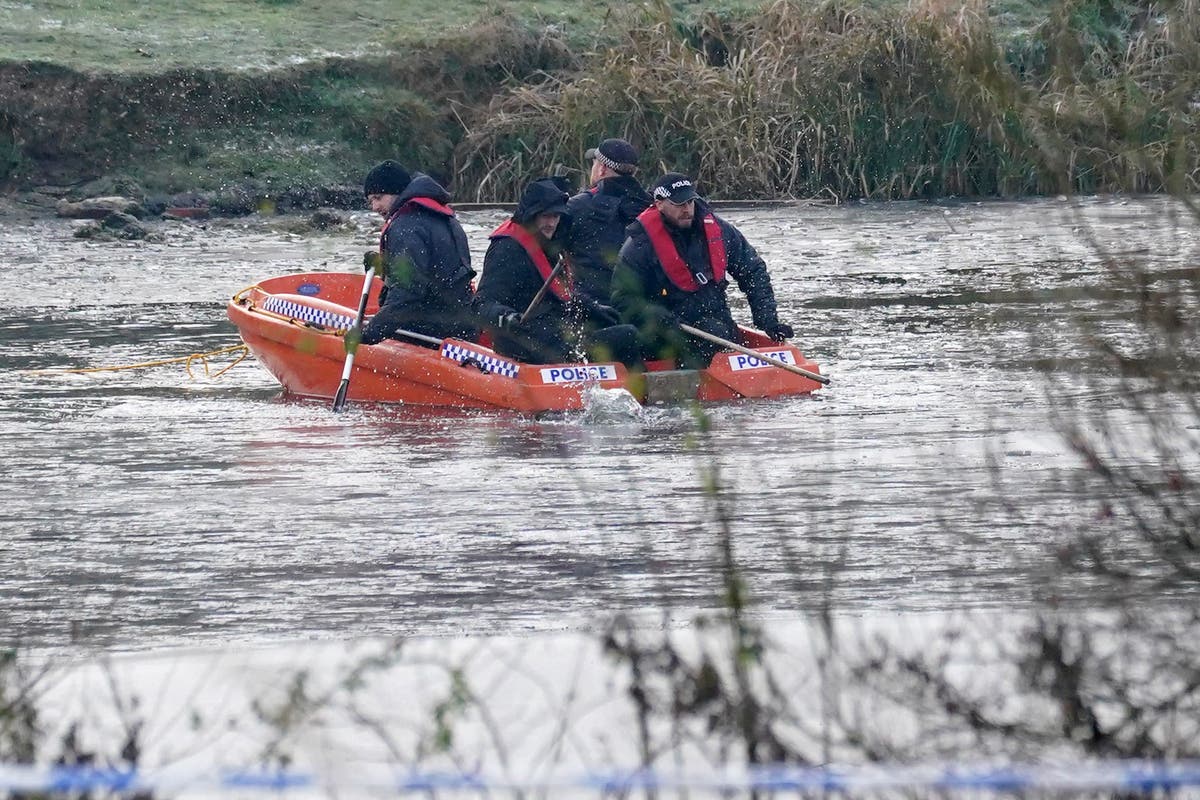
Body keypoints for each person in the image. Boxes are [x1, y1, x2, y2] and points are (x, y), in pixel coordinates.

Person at [611, 172, 794, 368]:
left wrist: (768, 321)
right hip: (666, 332)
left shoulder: (720, 231)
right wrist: (653, 315)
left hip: (717, 327)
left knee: (716, 331)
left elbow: (753, 271)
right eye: (679, 204)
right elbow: (622, 299)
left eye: (690, 202)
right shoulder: (640, 244)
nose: (687, 209)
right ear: (659, 203)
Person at [474, 177, 641, 366]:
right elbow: (482, 303)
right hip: (523, 342)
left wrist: (597, 310)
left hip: (552, 335)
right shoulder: (506, 249)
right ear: (530, 215)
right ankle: (640, 392)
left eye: (555, 216)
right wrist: (508, 318)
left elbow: (562, 295)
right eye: (545, 216)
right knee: (627, 335)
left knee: (620, 327)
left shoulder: (550, 245)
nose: (551, 223)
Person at [352, 159, 477, 349]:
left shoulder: (405, 226)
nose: (374, 207)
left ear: (397, 191)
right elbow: (435, 267)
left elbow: (407, 293)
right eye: (370, 201)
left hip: (429, 334)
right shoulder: (442, 216)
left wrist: (369, 334)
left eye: (378, 197)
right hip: (461, 327)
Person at [564, 138, 652, 304]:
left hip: (591, 307)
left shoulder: (577, 207)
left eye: (594, 163)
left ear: (602, 169)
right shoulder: (653, 206)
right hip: (638, 307)